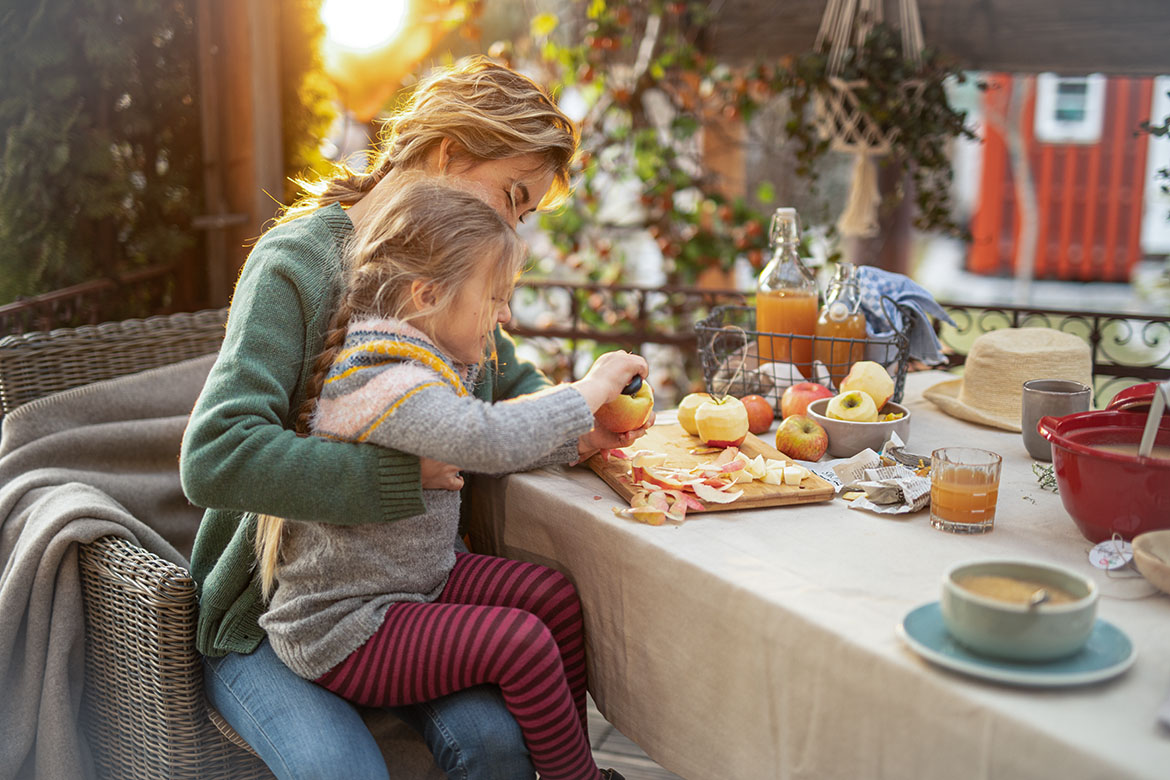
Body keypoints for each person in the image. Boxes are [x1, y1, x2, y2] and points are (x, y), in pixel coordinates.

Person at [180, 57, 651, 780]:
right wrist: (397, 476)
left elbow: (507, 387)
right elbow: (215, 455)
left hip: (410, 587)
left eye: (522, 217)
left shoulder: (450, 272)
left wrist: (583, 423)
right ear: (448, 153)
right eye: (511, 196)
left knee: (499, 745)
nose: (508, 227)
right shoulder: (296, 263)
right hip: (272, 609)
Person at [256, 173, 637, 780]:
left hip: (414, 579)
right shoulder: (385, 375)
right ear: (428, 294)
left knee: (554, 599)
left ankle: (569, 767)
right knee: (522, 643)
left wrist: (575, 439)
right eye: (494, 297)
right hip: (349, 625)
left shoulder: (420, 356)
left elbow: (478, 431)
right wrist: (589, 392)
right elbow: (482, 437)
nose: (505, 314)